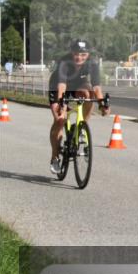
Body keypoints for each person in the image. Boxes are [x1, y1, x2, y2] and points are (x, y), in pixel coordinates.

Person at [48, 39, 109, 174]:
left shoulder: (92, 63)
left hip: (78, 85)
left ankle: (82, 126)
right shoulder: (64, 62)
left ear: (88, 55)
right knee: (59, 120)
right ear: (72, 53)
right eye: (76, 54)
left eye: (83, 55)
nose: (79, 57)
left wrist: (102, 104)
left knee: (89, 93)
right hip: (57, 87)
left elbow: (97, 86)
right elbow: (62, 85)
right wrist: (61, 103)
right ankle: (55, 157)